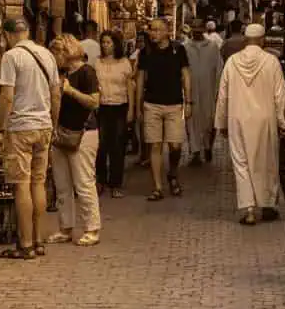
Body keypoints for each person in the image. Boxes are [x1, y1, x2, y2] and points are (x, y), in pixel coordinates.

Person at [0, 17, 60, 260]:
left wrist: (0, 129)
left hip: (21, 128)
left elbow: (7, 96)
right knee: (39, 182)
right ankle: (38, 240)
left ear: (9, 35)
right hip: (43, 126)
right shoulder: (46, 55)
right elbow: (56, 94)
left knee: (21, 184)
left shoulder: (11, 57)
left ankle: (25, 244)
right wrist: (52, 122)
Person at [214, 23, 285, 225]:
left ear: (245, 40)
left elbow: (223, 95)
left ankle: (249, 210)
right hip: (265, 119)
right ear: (263, 40)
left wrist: (221, 122)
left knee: (241, 163)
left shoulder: (232, 62)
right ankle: (267, 205)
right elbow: (280, 96)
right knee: (267, 162)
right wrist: (284, 123)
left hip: (237, 118)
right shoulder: (271, 62)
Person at [46, 33, 102, 246]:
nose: (54, 58)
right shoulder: (61, 73)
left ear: (66, 52)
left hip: (84, 133)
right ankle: (65, 227)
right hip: (62, 132)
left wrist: (70, 91)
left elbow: (94, 102)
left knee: (83, 182)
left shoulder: (87, 72)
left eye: (56, 54)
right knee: (62, 184)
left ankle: (92, 228)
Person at [136, 17, 191, 200]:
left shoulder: (178, 50)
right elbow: (140, 79)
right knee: (155, 145)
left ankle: (173, 174)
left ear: (168, 31)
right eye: (152, 30)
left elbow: (186, 75)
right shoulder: (145, 53)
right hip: (152, 104)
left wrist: (188, 101)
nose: (154, 33)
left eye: (158, 30)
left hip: (174, 104)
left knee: (175, 145)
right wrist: (138, 107)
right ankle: (157, 187)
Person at [95, 29, 134, 197]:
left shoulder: (124, 63)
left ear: (115, 44)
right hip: (101, 108)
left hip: (120, 107)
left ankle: (116, 184)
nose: (105, 46)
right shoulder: (97, 63)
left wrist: (131, 109)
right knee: (101, 146)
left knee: (117, 146)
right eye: (103, 42)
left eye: (108, 42)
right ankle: (101, 181)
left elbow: (130, 87)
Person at [184, 20, 223, 165]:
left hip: (209, 90)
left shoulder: (213, 47)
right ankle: (195, 152)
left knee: (209, 120)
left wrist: (218, 90)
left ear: (204, 29)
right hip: (191, 91)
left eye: (200, 27)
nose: (197, 30)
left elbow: (219, 69)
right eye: (195, 27)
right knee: (192, 122)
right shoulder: (186, 47)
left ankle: (207, 147)